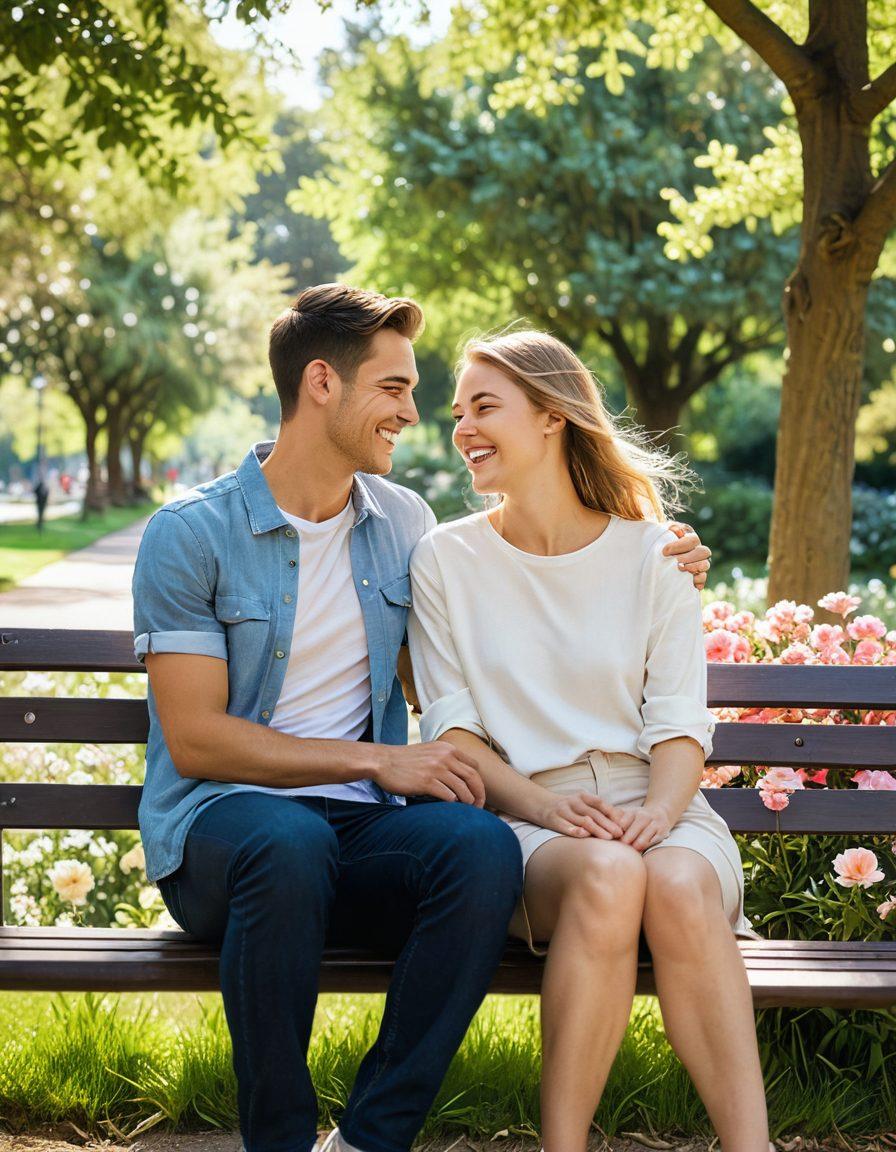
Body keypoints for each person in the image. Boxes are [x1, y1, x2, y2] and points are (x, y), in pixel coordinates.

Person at [132, 284, 713, 1152]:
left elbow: (511, 602)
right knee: (288, 846)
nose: (413, 413)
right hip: (223, 837)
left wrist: (663, 550)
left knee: (477, 850)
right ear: (322, 383)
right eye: (395, 389)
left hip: (355, 838)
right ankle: (280, 1140)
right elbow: (198, 739)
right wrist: (375, 763)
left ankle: (371, 1138)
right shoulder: (191, 533)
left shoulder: (402, 525)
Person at [407, 329, 770, 1152]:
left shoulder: (656, 553)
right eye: (458, 411)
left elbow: (680, 722)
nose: (461, 427)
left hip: (664, 805)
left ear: (552, 417)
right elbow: (454, 728)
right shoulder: (444, 560)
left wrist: (660, 816)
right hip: (531, 818)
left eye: (484, 407)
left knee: (675, 885)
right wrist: (546, 808)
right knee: (608, 874)